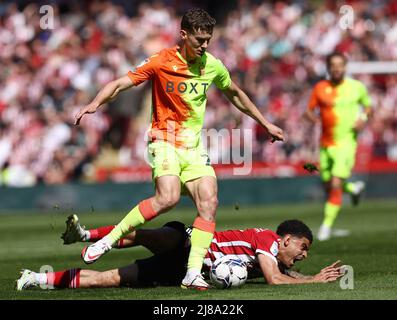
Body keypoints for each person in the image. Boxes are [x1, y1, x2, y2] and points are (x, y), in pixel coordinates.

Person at [73, 8, 284, 289]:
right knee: (168, 198)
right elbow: (122, 83)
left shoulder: (212, 65)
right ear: (184, 35)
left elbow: (235, 93)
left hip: (193, 147)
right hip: (164, 140)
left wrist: (265, 122)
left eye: (208, 39)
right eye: (199, 39)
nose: (205, 45)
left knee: (209, 202)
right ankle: (109, 240)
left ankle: (192, 273)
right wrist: (95, 103)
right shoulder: (161, 61)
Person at [16, 214, 343, 290]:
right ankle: (89, 235)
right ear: (285, 239)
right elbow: (275, 280)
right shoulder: (267, 240)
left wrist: (310, 275)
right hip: (190, 245)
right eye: (303, 247)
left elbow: (286, 274)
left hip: (183, 270)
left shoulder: (273, 254)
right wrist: (314, 281)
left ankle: (34, 279)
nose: (303, 255)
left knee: (107, 279)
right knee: (149, 235)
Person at [304, 52, 372, 241]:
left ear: (345, 67)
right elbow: (308, 111)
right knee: (328, 185)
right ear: (328, 67)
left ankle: (326, 226)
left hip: (346, 143)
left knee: (334, 184)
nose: (336, 68)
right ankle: (353, 188)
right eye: (333, 65)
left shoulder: (356, 87)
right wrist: (314, 118)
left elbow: (368, 107)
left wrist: (363, 118)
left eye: (340, 64)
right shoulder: (320, 88)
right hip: (326, 143)